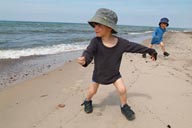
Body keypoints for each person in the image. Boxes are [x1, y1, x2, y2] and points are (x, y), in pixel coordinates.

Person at [77, 8, 157, 121]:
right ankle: (87, 101)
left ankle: (124, 106)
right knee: (92, 91)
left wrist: (150, 51)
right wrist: (85, 59)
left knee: (122, 90)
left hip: (114, 74)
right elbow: (89, 52)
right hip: (98, 74)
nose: (95, 28)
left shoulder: (121, 43)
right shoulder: (95, 42)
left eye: (99, 25)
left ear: (109, 27)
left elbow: (136, 47)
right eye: (94, 25)